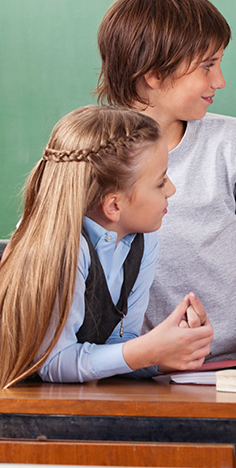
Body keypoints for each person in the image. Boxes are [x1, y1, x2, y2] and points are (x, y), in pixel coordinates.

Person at [95, 0, 236, 360]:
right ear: (154, 74)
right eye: (207, 66)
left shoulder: (234, 142)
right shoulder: (93, 153)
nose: (220, 81)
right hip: (140, 366)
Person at [0, 105, 213, 389]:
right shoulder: (68, 249)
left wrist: (164, 352)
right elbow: (52, 362)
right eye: (160, 181)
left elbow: (117, 347)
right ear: (114, 205)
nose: (171, 189)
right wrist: (149, 349)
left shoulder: (142, 240)